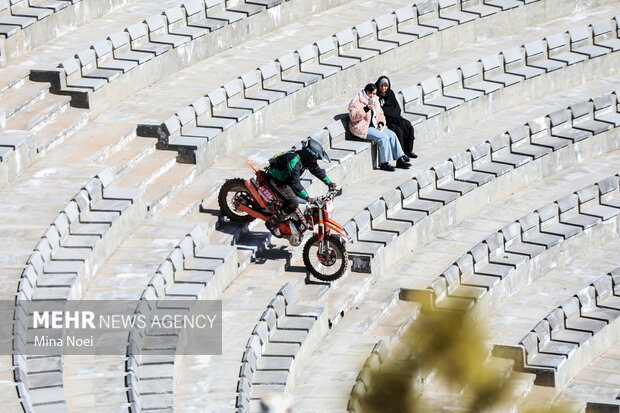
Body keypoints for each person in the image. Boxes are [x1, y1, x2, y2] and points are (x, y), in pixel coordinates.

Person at [264, 138, 337, 235]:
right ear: (310, 156)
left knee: (301, 202)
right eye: (315, 159)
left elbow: (316, 170)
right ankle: (273, 221)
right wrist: (307, 197)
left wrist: (330, 183)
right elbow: (296, 184)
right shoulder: (295, 162)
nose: (315, 161)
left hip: (287, 180)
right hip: (276, 180)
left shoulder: (306, 159)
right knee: (294, 201)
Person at [348, 83, 411, 172]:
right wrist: (366, 109)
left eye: (375, 94)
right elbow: (353, 117)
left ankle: (399, 159)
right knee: (383, 138)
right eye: (372, 94)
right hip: (363, 127)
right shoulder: (357, 100)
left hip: (375, 125)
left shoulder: (375, 99)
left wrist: (381, 123)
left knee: (392, 134)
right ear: (367, 92)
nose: (374, 96)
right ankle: (384, 163)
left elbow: (380, 113)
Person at [375, 75, 418, 159]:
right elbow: (379, 110)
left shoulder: (390, 93)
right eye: (381, 86)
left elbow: (396, 108)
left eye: (385, 86)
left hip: (395, 117)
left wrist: (389, 112)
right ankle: (401, 155)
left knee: (408, 126)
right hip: (385, 120)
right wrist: (387, 112)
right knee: (397, 130)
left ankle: (408, 151)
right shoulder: (376, 95)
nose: (383, 88)